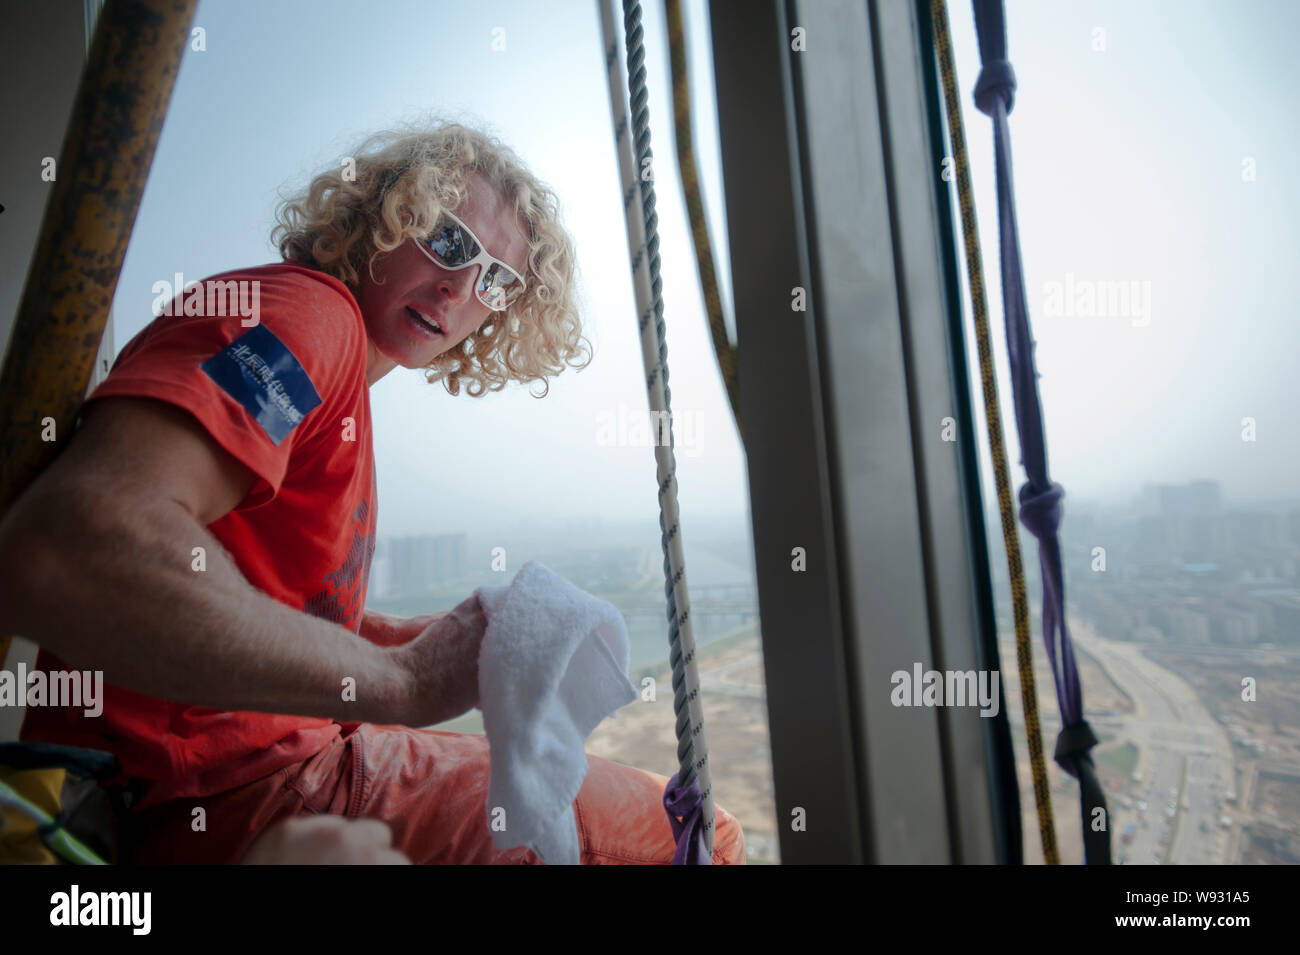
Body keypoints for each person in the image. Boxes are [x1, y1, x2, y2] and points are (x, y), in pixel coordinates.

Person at [0, 121, 745, 864]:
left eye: (495, 280)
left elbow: (262, 601)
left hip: (243, 776)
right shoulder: (307, 321)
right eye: (450, 242)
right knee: (707, 836)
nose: (460, 287)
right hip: (228, 794)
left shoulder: (340, 372)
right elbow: (73, 546)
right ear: (383, 218)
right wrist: (407, 678)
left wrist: (415, 640)